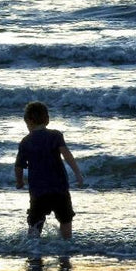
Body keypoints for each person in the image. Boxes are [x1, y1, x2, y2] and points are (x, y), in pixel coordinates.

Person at [14, 101, 84, 239]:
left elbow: (18, 166)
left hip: (38, 191)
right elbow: (66, 154)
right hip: (59, 188)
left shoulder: (26, 141)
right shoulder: (55, 135)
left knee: (35, 223)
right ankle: (66, 245)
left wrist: (20, 182)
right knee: (65, 219)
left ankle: (33, 250)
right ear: (47, 119)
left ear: (28, 121)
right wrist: (77, 173)